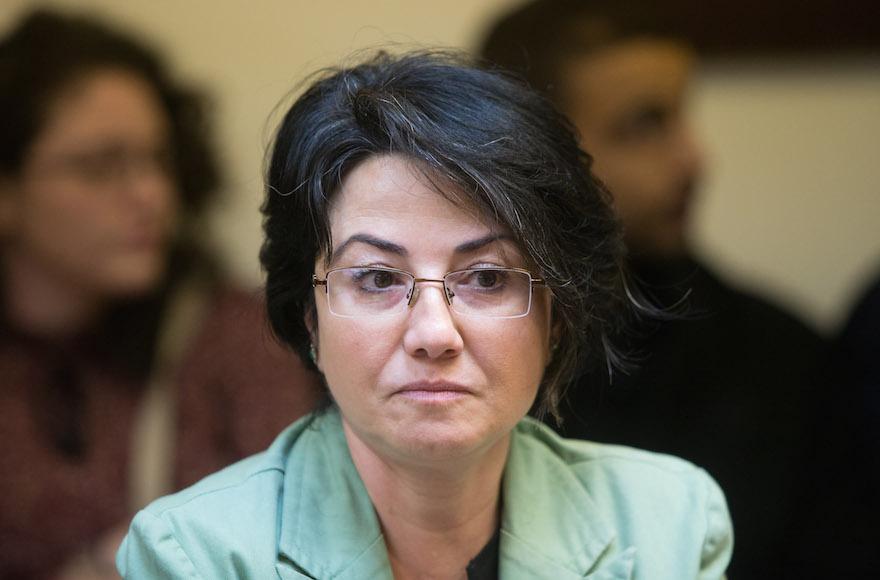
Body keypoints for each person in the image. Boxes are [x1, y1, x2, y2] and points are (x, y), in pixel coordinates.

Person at [116, 50, 733, 579]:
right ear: (310, 316)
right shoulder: (196, 556)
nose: (434, 334)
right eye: (379, 279)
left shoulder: (668, 524)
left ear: (557, 317)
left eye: (488, 278)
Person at [479, 1, 828, 577]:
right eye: (644, 125)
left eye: (682, 115)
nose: (693, 159)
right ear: (529, 153)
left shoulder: (783, 357)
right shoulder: (447, 355)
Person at [0, 10, 320, 579]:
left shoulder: (233, 335)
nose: (151, 194)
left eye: (157, 160)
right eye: (100, 167)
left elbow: (300, 535)